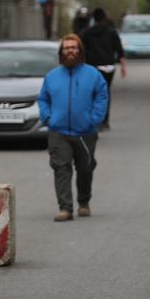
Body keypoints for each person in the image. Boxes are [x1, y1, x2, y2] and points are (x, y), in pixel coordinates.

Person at [37, 34, 108, 222]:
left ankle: (84, 202)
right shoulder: (52, 76)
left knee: (85, 169)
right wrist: (47, 117)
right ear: (61, 52)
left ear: (80, 51)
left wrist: (94, 119)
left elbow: (102, 96)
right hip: (58, 131)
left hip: (86, 132)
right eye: (66, 48)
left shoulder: (93, 75)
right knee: (61, 167)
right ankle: (65, 208)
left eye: (74, 47)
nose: (70, 51)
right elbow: (43, 99)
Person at [81, 8, 126, 129]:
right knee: (105, 92)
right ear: (104, 17)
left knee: (93, 93)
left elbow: (82, 51)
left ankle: (95, 119)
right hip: (109, 67)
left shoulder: (87, 32)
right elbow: (119, 49)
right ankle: (105, 121)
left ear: (94, 19)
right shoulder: (111, 32)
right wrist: (123, 67)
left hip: (93, 67)